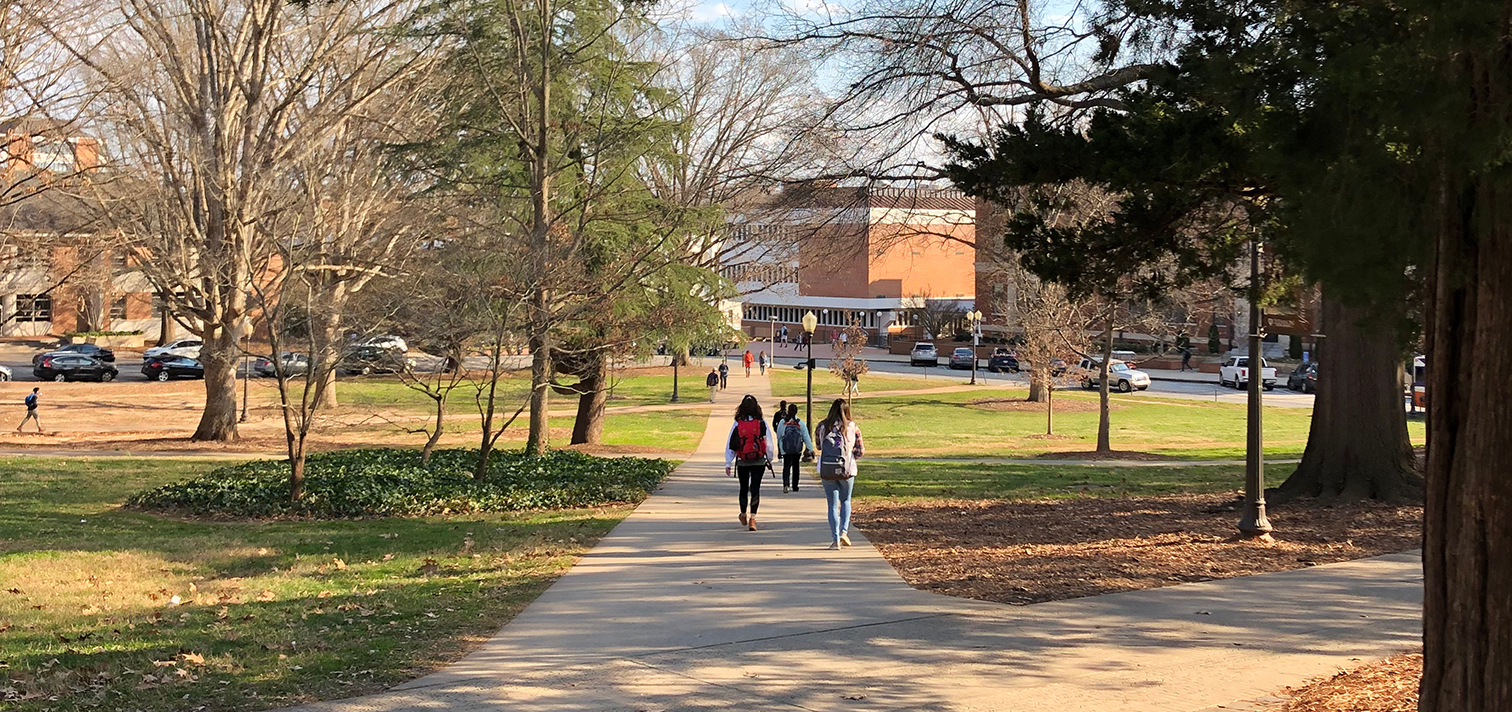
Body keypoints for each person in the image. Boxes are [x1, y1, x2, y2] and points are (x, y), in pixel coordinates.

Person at [814, 398, 864, 550]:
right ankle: (844, 531)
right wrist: (850, 455)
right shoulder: (852, 427)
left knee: (832, 505)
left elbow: (818, 446)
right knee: (846, 501)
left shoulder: (822, 426)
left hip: (827, 469)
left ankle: (835, 539)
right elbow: (860, 451)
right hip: (847, 469)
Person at [725, 395, 776, 531]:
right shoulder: (761, 423)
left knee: (743, 488)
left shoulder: (738, 423)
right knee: (755, 488)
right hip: (758, 461)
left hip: (742, 461)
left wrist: (728, 462)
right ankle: (753, 518)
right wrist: (769, 459)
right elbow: (769, 443)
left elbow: (731, 443)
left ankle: (743, 513)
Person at [779, 403, 815, 493]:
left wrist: (780, 449)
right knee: (796, 467)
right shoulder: (800, 423)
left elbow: (779, 436)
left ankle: (786, 484)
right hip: (797, 449)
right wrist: (810, 449)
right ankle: (795, 486)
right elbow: (806, 436)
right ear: (796, 412)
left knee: (786, 466)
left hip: (786, 449)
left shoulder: (783, 422)